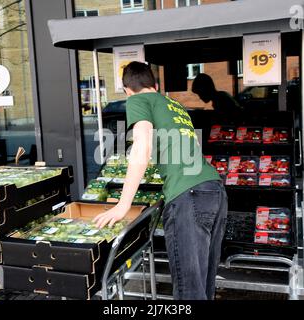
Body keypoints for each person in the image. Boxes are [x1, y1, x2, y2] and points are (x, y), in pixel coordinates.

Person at [93, 61, 228, 300]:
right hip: (214, 189)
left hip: (188, 196)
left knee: (189, 292)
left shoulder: (137, 100)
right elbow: (194, 146)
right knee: (203, 284)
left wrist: (123, 205)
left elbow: (142, 146)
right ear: (155, 85)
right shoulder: (174, 105)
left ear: (127, 89)